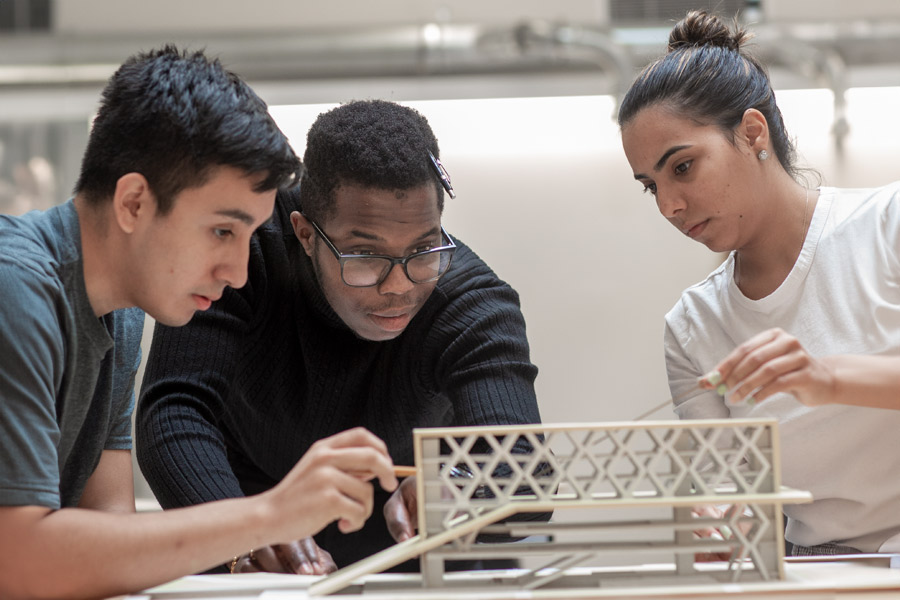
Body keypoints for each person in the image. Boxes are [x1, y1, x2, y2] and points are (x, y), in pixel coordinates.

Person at [0, 47, 398, 600]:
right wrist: (268, 514)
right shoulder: (16, 289)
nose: (237, 273)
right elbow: (19, 559)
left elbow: (107, 544)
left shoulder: (121, 316)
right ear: (134, 203)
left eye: (250, 237)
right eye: (221, 232)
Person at [136, 99, 546, 575]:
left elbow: (525, 467)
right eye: (364, 255)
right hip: (249, 517)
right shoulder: (244, 256)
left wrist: (460, 483)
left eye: (422, 248)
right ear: (306, 234)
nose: (398, 285)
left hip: (409, 543)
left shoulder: (468, 301)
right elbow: (173, 409)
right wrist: (238, 532)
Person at [617, 10, 900, 557]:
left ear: (752, 134)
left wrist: (830, 378)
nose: (670, 206)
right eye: (650, 187)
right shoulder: (693, 327)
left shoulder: (886, 226)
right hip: (822, 576)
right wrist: (715, 522)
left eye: (682, 167)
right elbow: (724, 495)